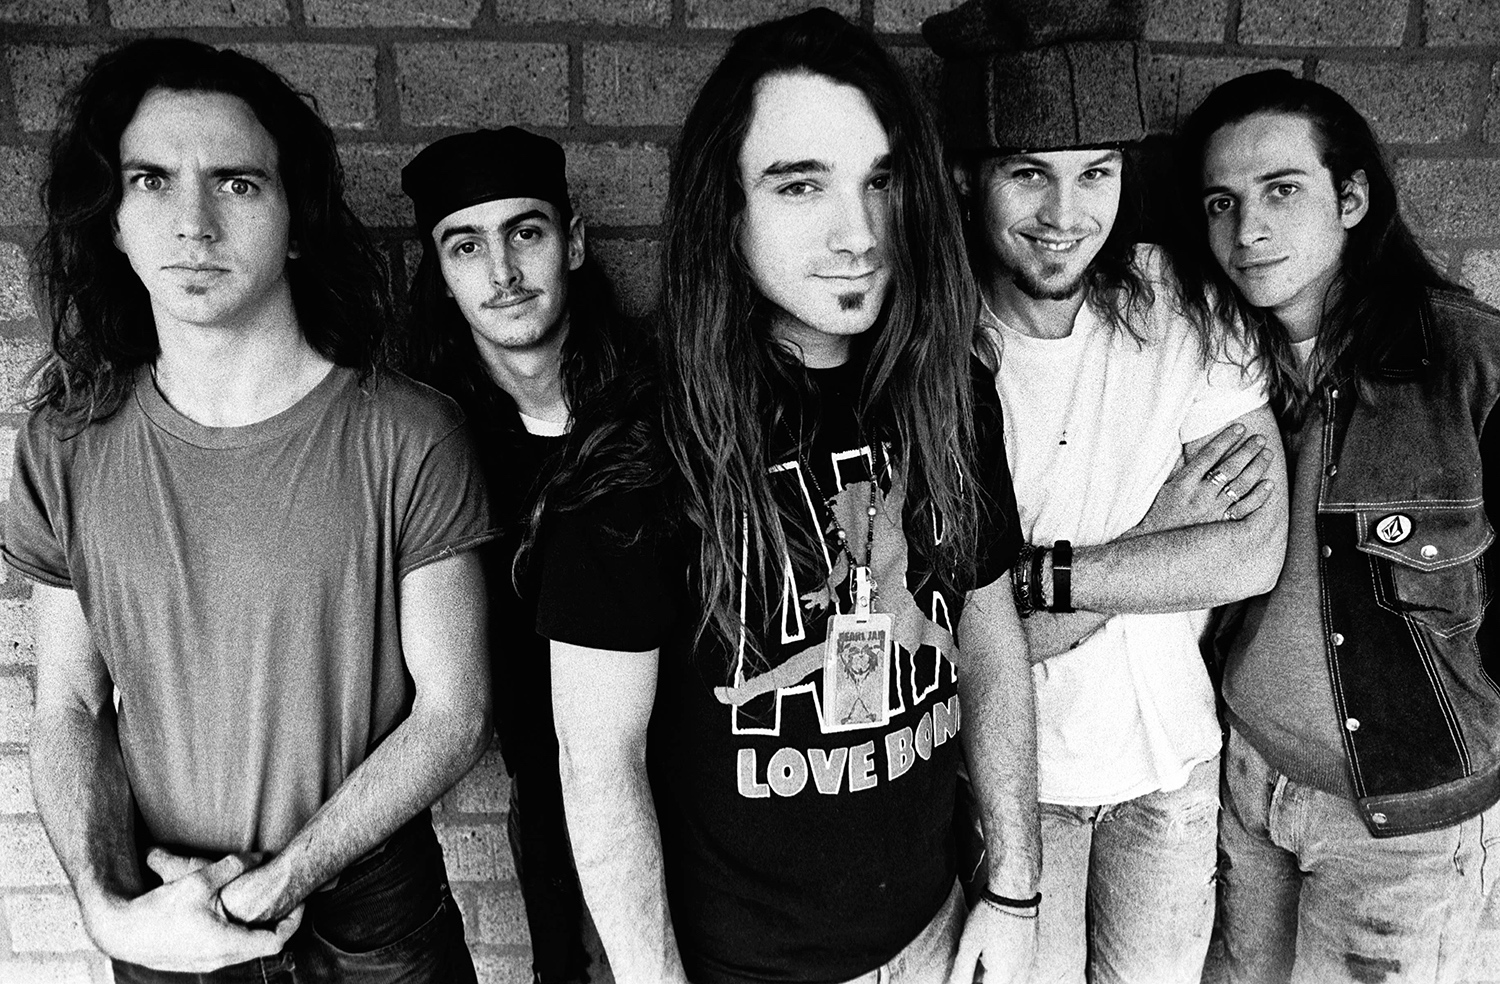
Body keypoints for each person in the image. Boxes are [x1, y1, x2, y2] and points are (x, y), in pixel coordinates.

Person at [531, 8, 1040, 984]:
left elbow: (986, 631)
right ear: (727, 211)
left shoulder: (949, 394)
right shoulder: (639, 452)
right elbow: (598, 766)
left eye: (880, 181)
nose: (859, 234)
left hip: (942, 933)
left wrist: (1016, 889)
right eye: (801, 185)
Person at [7, 38, 492, 981]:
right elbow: (68, 704)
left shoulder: (408, 432)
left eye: (236, 183)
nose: (193, 225)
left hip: (371, 910)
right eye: (151, 181)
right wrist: (109, 913)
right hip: (164, 905)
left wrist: (277, 884)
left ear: (296, 220)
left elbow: (456, 711)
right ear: (113, 222)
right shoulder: (66, 444)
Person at [925, 2, 1289, 981]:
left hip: (1169, 769)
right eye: (1027, 173)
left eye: (1096, 172)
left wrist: (1035, 582)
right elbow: (957, 653)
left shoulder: (1182, 303)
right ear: (966, 177)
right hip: (1009, 787)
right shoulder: (930, 355)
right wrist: (1161, 535)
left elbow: (1251, 551)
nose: (1065, 213)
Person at [1176, 68, 1500, 984]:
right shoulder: (1222, 362)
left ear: (1351, 199)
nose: (1248, 230)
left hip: (1398, 833)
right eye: (1221, 202)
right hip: (1247, 780)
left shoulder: (1468, 360)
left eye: (1282, 190)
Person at [399, 126, 637, 984]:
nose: (501, 272)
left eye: (525, 232)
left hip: (704, 791)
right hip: (552, 809)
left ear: (572, 241)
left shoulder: (659, 404)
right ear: (442, 272)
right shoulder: (433, 448)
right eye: (466, 245)